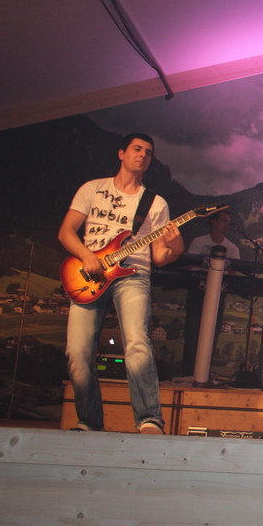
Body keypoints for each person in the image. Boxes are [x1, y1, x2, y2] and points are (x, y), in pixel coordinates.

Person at [59, 133, 185, 434]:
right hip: (89, 275)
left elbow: (160, 257)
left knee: (137, 342)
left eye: (148, 152)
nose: (142, 155)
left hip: (133, 275)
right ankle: (88, 422)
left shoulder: (155, 203)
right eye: (137, 149)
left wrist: (177, 247)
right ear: (121, 153)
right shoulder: (92, 189)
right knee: (77, 352)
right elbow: (65, 232)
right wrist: (87, 256)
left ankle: (149, 419)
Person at [180, 209, 241, 377]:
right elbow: (189, 266)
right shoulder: (199, 242)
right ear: (213, 222)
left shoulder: (232, 248)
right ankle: (187, 374)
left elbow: (234, 273)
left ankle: (204, 374)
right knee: (192, 334)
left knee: (212, 336)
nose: (227, 225)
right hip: (197, 294)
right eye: (223, 220)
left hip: (218, 297)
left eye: (228, 221)